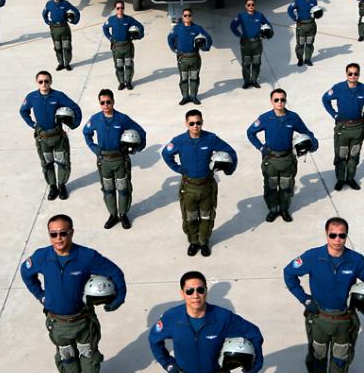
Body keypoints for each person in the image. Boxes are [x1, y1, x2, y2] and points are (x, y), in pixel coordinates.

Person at [21, 214, 126, 373]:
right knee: (66, 356)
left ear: (71, 233)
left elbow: (115, 272)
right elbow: (26, 273)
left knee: (88, 356)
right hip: (58, 323)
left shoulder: (86, 256)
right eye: (53, 234)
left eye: (63, 233)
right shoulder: (41, 257)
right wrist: (41, 296)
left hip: (83, 321)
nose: (58, 238)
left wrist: (118, 298)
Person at [283, 217, 364, 373]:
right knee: (318, 356)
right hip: (319, 318)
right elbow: (289, 273)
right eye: (333, 235)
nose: (337, 239)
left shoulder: (355, 260)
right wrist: (305, 299)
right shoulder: (313, 257)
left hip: (344, 319)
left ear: (346, 236)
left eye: (342, 235)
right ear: (327, 234)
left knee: (341, 357)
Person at [161, 110, 237, 257]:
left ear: (202, 122)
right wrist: (178, 169)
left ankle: (204, 242)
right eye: (192, 123)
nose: (195, 126)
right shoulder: (179, 141)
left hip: (207, 186)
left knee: (206, 216)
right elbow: (166, 153)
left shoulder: (210, 139)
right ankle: (193, 242)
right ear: (186, 124)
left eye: (198, 123)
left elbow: (230, 152)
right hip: (188, 187)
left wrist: (229, 169)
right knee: (190, 216)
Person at [247, 88, 318, 223]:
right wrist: (261, 147)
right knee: (271, 186)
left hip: (287, 159)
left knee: (287, 186)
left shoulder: (293, 117)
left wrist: (313, 143)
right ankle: (273, 210)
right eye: (276, 100)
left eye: (282, 99)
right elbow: (250, 132)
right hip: (271, 159)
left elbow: (306, 132)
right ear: (271, 101)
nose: (279, 102)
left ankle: (284, 209)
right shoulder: (265, 118)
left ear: (285, 100)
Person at [82, 89, 147, 230]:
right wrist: (94, 148)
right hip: (104, 160)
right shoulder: (95, 119)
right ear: (100, 103)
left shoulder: (122, 119)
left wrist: (136, 148)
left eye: (108, 102)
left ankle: (123, 214)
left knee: (123, 188)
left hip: (120, 160)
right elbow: (86, 133)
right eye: (102, 103)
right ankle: (113, 214)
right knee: (108, 188)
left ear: (113, 102)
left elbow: (141, 132)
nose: (106, 105)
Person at [321, 63, 364, 191]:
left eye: (355, 73)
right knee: (341, 154)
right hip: (343, 128)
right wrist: (334, 114)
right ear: (346, 74)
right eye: (350, 73)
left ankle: (350, 178)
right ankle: (340, 179)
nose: (353, 76)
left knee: (354, 154)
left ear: (359, 75)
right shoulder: (339, 88)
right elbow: (325, 99)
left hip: (358, 127)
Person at [19, 70, 83, 200]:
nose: (44, 84)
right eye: (41, 81)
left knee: (62, 162)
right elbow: (23, 111)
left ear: (51, 82)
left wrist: (74, 124)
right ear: (37, 82)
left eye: (46, 81)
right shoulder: (32, 97)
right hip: (42, 137)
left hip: (58, 136)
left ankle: (61, 185)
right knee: (47, 163)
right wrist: (32, 124)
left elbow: (75, 108)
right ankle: (52, 186)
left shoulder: (58, 96)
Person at [167, 8, 212, 105]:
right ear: (182, 17)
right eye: (185, 15)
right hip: (182, 58)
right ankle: (185, 97)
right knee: (183, 78)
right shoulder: (177, 28)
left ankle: (193, 96)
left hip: (194, 58)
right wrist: (174, 49)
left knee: (194, 78)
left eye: (189, 15)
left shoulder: (197, 28)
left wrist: (205, 47)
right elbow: (170, 38)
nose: (187, 17)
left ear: (192, 16)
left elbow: (208, 38)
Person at [229, 0, 272, 89]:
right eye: (249, 5)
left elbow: (268, 25)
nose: (251, 6)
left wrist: (268, 33)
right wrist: (239, 35)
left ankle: (254, 80)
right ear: (245, 6)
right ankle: (247, 81)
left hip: (257, 43)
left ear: (255, 5)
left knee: (256, 63)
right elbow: (233, 26)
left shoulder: (260, 15)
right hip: (246, 43)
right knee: (246, 63)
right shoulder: (241, 16)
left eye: (253, 4)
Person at [102, 1, 144, 90]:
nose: (120, 10)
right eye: (118, 8)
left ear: (124, 8)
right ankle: (121, 82)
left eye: (122, 8)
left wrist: (138, 36)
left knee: (128, 65)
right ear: (115, 9)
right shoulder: (112, 20)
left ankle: (128, 82)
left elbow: (140, 26)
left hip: (127, 46)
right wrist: (110, 38)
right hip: (117, 47)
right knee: (119, 65)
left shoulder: (129, 19)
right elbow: (105, 28)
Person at [42, 0, 81, 70]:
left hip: (64, 28)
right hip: (55, 29)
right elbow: (44, 14)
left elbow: (76, 11)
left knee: (67, 47)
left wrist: (75, 21)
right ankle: (60, 63)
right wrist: (47, 22)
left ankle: (67, 64)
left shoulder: (65, 3)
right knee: (57, 47)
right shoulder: (49, 4)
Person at [287, 0, 320, 66]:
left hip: (311, 25)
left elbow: (316, 12)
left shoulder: (314, 1)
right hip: (301, 25)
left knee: (309, 43)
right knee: (300, 43)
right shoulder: (297, 1)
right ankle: (300, 59)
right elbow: (290, 9)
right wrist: (295, 18)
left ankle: (308, 59)